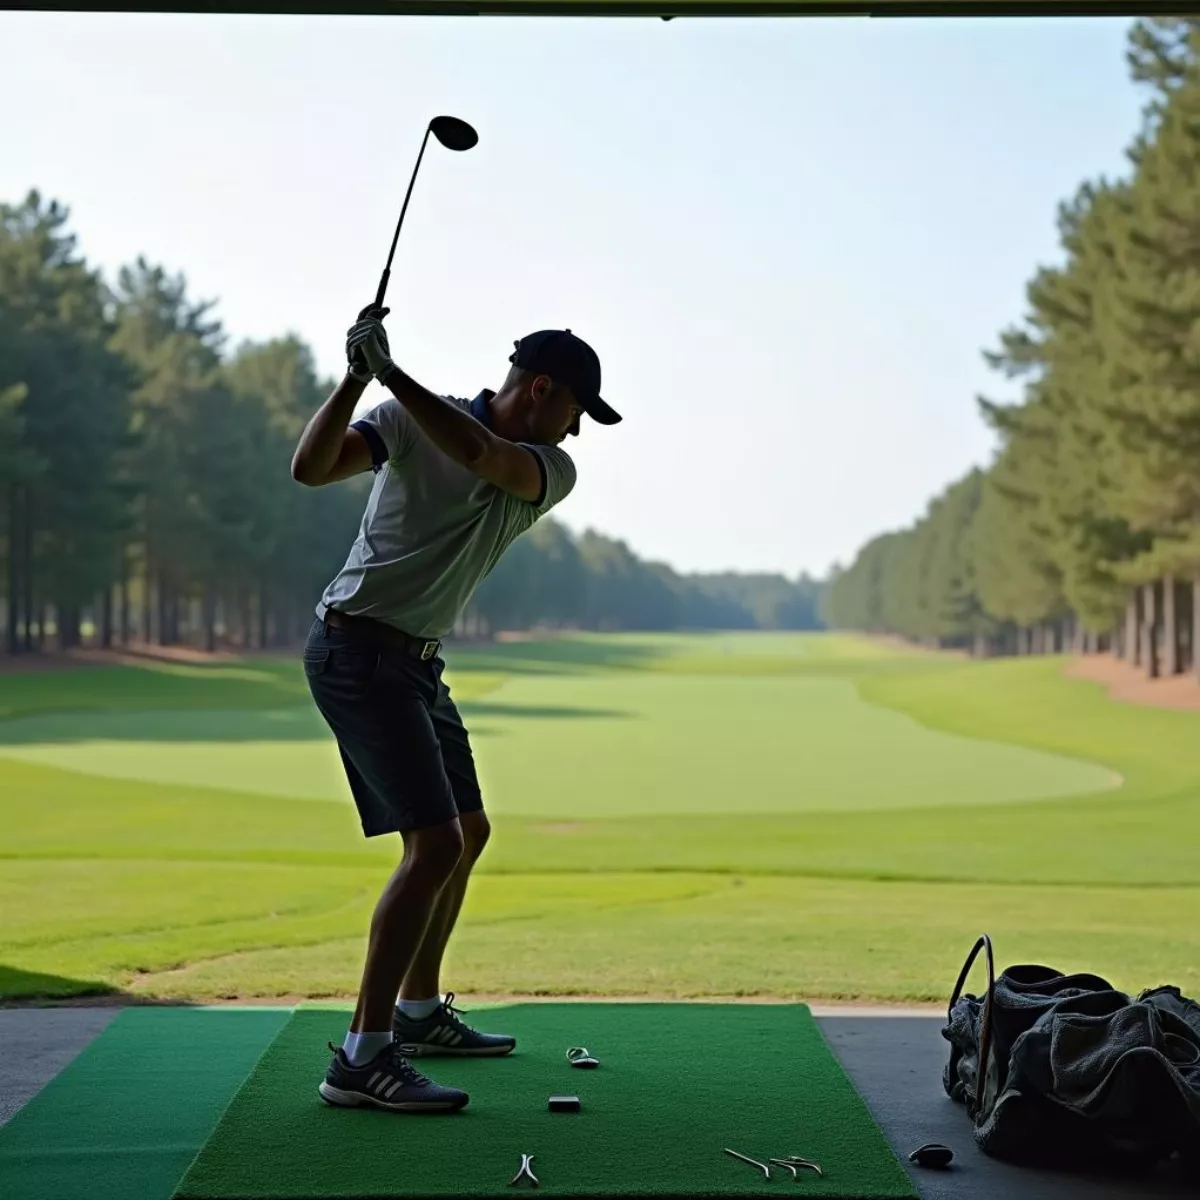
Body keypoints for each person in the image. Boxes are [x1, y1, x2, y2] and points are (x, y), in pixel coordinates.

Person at [289, 307, 621, 1114]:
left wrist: (392, 373)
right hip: (356, 652)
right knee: (433, 847)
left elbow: (480, 453)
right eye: (579, 412)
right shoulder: (403, 419)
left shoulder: (544, 465)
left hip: (417, 665)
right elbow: (312, 467)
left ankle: (418, 1010)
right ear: (543, 389)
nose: (577, 433)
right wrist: (356, 380)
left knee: (467, 834)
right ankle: (362, 1057)